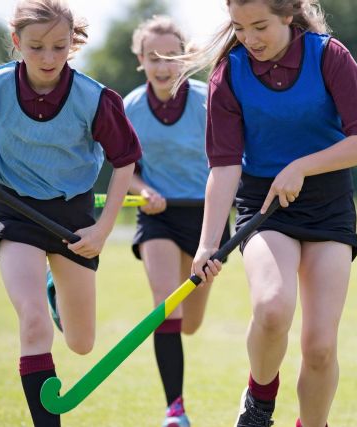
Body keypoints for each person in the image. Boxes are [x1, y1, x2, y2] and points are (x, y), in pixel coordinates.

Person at [183, 0, 357, 426]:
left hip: (327, 205)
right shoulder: (229, 74)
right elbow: (223, 166)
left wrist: (302, 166)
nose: (249, 39)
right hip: (263, 205)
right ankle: (259, 398)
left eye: (260, 27)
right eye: (239, 27)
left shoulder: (329, 56)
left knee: (319, 347)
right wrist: (207, 243)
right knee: (272, 308)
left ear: (288, 16)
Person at [0, 1, 141, 425]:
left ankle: (55, 288)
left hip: (73, 219)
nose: (49, 58)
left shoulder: (93, 98)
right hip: (16, 211)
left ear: (72, 43)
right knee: (33, 323)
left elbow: (125, 158)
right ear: (17, 42)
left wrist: (104, 228)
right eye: (36, 47)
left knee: (81, 342)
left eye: (59, 47)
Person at [123, 15, 231, 427]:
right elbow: (125, 168)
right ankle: (175, 410)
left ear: (185, 56)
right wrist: (141, 188)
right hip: (159, 218)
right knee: (165, 306)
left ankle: (185, 325)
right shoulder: (129, 107)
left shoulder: (210, 99)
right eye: (153, 57)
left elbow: (230, 159)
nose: (163, 65)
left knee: (190, 323)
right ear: (140, 60)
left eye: (171, 56)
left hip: (208, 219)